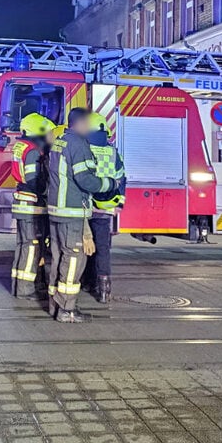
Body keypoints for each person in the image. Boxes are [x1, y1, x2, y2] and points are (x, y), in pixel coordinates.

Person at [46, 108, 118, 323]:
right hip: (72, 210)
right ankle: (67, 309)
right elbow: (85, 180)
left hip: (55, 210)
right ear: (80, 124)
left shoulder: (59, 141)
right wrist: (109, 183)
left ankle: (54, 304)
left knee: (59, 258)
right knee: (74, 260)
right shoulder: (79, 144)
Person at [83, 112, 125, 304]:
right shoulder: (113, 152)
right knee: (103, 249)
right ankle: (104, 291)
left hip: (85, 207)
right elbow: (122, 178)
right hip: (105, 208)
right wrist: (120, 203)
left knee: (84, 246)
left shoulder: (83, 148)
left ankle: (86, 282)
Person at [11, 113, 54, 299]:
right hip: (31, 204)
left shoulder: (22, 146)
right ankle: (26, 290)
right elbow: (33, 180)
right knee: (32, 247)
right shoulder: (34, 151)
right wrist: (46, 189)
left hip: (22, 202)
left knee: (23, 246)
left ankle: (18, 286)